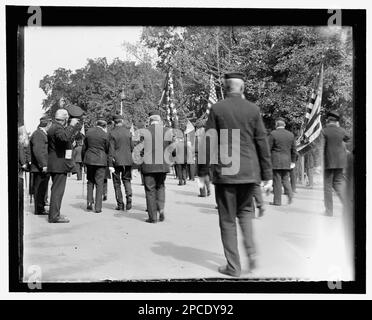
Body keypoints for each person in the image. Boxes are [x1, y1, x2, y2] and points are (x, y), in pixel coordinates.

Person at [203, 72, 272, 277]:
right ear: (242, 88)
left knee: (227, 220)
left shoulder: (217, 108)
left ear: (225, 88)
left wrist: (202, 171)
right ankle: (252, 254)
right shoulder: (253, 109)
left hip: (226, 173)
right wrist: (267, 174)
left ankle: (233, 267)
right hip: (249, 173)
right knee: (245, 215)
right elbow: (262, 142)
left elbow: (209, 140)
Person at [47, 109, 79, 223]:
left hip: (55, 163)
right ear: (65, 119)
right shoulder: (57, 128)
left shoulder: (53, 127)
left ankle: (54, 214)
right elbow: (64, 138)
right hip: (58, 164)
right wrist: (71, 126)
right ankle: (54, 216)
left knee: (56, 190)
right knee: (57, 191)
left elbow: (63, 139)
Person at [140, 110, 171, 223]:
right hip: (162, 164)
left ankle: (153, 217)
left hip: (148, 166)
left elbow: (140, 149)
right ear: (159, 120)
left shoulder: (144, 132)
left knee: (150, 190)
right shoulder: (167, 131)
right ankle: (161, 209)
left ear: (150, 120)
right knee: (161, 186)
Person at [321, 111, 350, 216]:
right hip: (340, 162)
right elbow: (348, 138)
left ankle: (329, 211)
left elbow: (321, 147)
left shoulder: (324, 131)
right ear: (337, 121)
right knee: (338, 184)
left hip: (329, 162)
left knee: (327, 186)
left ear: (328, 121)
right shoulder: (342, 131)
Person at [82, 116, 111, 213]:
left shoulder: (88, 132)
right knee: (100, 183)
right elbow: (108, 148)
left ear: (96, 124)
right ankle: (98, 207)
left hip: (89, 159)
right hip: (101, 160)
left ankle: (89, 202)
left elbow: (84, 147)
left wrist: (83, 160)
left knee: (90, 181)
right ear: (104, 126)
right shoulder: (105, 134)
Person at [268, 118, 297, 206]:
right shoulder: (291, 135)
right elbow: (294, 150)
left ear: (276, 125)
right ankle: (290, 194)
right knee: (285, 179)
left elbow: (268, 148)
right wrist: (293, 161)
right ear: (284, 125)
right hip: (287, 160)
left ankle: (277, 201)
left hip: (276, 160)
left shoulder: (273, 134)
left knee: (277, 180)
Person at [109, 114, 134, 211]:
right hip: (127, 160)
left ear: (113, 122)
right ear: (122, 121)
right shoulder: (128, 132)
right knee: (127, 180)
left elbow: (111, 149)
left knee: (116, 183)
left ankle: (120, 204)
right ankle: (129, 197)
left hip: (116, 160)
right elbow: (132, 147)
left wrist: (110, 163)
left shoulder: (112, 133)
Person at [30, 116, 52, 215]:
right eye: (50, 124)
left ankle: (41, 207)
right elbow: (38, 151)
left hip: (41, 167)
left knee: (42, 188)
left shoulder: (40, 133)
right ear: (48, 124)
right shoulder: (39, 134)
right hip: (40, 168)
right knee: (39, 189)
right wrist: (43, 165)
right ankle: (39, 209)